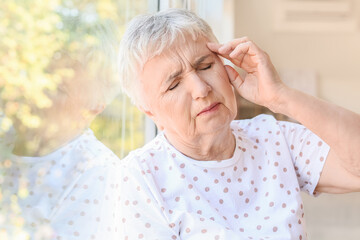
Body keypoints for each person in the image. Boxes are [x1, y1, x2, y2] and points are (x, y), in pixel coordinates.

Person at [117, 8, 360, 240]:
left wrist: (281, 97)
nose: (201, 89)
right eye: (174, 85)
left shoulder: (272, 137)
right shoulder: (141, 178)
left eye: (206, 66)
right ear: (149, 111)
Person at [0, 24, 122, 240]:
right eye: (42, 75)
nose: (38, 91)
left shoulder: (97, 172)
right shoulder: (6, 133)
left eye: (58, 89)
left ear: (94, 108)